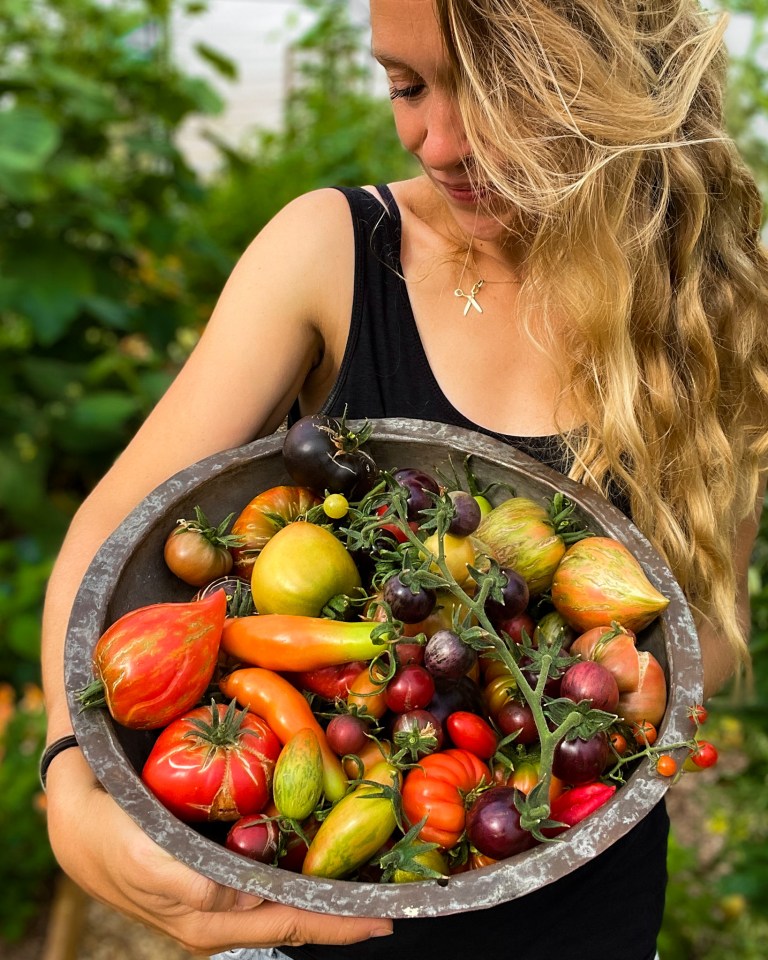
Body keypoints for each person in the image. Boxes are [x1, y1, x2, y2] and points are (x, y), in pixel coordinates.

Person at [40, 1, 768, 959]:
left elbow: (709, 630)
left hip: (578, 912)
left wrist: (610, 673)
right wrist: (69, 783)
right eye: (407, 85)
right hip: (313, 928)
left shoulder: (712, 309)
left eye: (505, 92)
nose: (442, 140)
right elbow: (112, 530)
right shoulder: (333, 252)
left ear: (613, 85)